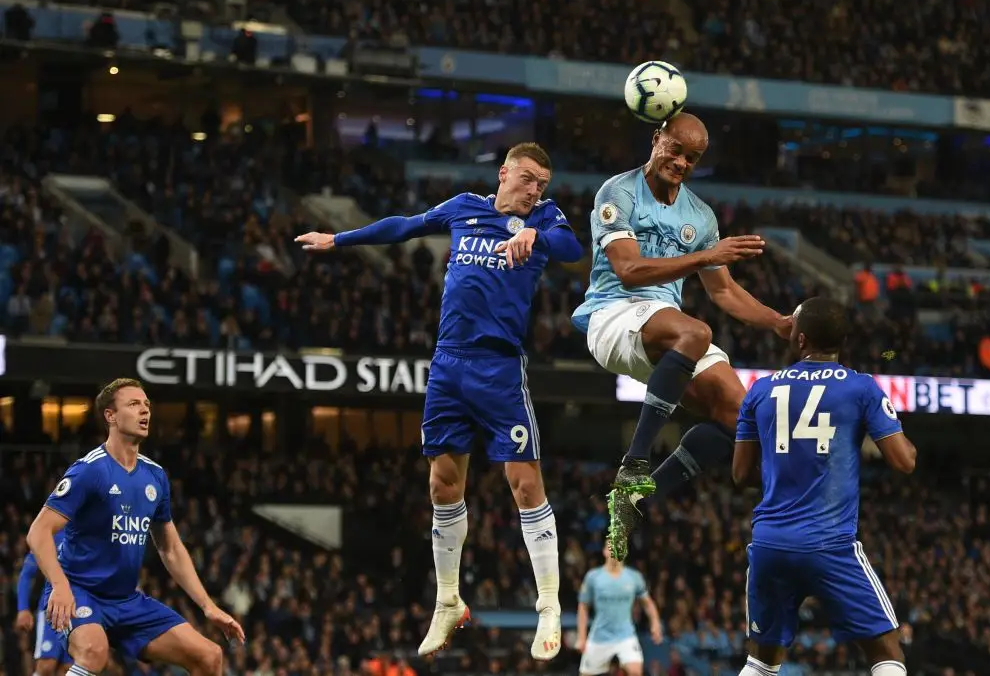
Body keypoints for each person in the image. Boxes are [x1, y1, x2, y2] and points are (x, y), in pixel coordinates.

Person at [295, 142, 583, 659]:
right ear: (504, 172)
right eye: (527, 177)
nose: (534, 188)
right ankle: (447, 601)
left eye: (542, 181)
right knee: (442, 484)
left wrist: (539, 230)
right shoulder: (464, 208)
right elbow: (403, 226)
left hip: (499, 367)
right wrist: (339, 239)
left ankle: (549, 605)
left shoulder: (546, 218)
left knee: (523, 483)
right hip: (448, 364)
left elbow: (571, 248)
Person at [571, 112, 792, 560]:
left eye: (692, 157)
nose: (681, 162)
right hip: (612, 316)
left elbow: (724, 290)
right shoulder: (617, 192)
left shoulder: (699, 216)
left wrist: (778, 322)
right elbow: (628, 271)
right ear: (656, 139)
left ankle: (635, 502)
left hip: (663, 325)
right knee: (696, 331)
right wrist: (706, 255)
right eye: (675, 149)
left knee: (740, 414)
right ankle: (634, 463)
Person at [732, 296, 918, 676]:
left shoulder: (760, 390)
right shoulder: (861, 388)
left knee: (762, 660)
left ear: (799, 340)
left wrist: (784, 471)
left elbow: (740, 475)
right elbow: (904, 462)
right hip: (829, 544)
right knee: (887, 652)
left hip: (770, 543)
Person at [26, 378, 245, 676]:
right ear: (110, 416)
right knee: (93, 652)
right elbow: (38, 532)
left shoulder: (155, 476)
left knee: (210, 656)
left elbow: (170, 547)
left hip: (127, 600)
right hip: (80, 591)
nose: (145, 411)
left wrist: (208, 606)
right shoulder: (89, 470)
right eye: (133, 404)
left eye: (147, 405)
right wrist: (61, 586)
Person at [576, 540, 662, 676]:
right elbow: (583, 607)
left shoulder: (634, 577)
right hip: (599, 636)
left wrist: (656, 623)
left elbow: (648, 603)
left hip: (625, 636)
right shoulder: (593, 577)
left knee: (635, 671)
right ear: (605, 551)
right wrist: (581, 637)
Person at [15, 530, 73, 676]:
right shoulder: (51, 535)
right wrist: (23, 609)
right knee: (46, 666)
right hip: (52, 609)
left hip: (79, 609)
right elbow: (27, 574)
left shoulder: (91, 535)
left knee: (69, 668)